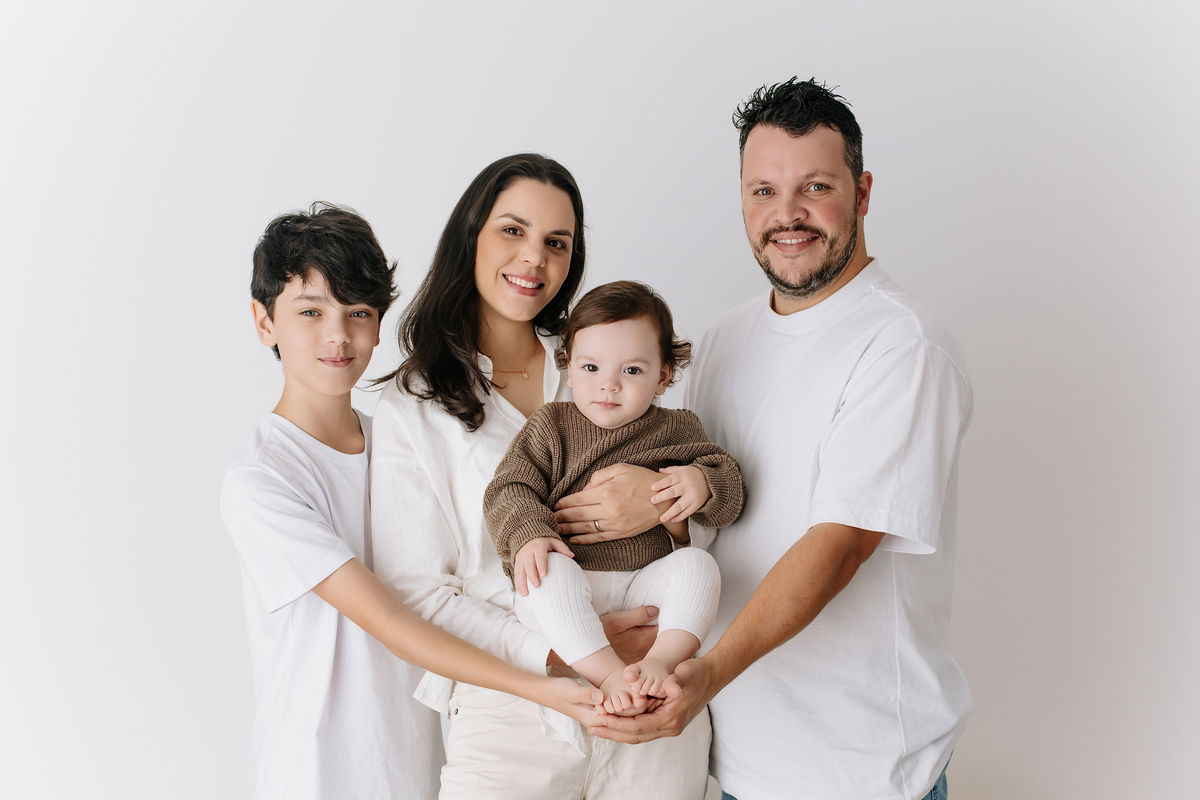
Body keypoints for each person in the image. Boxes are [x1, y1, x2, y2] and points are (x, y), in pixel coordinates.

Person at [587, 79, 973, 800]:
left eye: (815, 188)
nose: (787, 215)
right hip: (733, 756)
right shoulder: (724, 338)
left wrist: (705, 673)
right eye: (763, 191)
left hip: (857, 772)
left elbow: (841, 545)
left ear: (862, 194)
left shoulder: (902, 344)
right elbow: (710, 526)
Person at [221, 203, 605, 800]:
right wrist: (546, 678)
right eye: (310, 311)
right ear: (264, 321)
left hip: (420, 759)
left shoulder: (400, 437)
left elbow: (460, 584)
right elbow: (393, 620)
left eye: (358, 312)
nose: (337, 335)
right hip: (317, 771)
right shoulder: (263, 480)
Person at [370, 156, 715, 799]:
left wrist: (660, 504)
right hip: (511, 710)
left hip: (653, 700)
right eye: (512, 230)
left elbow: (709, 536)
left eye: (557, 242)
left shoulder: (607, 360)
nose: (534, 258)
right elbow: (415, 597)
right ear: (470, 236)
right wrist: (559, 650)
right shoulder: (414, 405)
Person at [485, 280, 743, 714]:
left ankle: (660, 661)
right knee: (544, 571)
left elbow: (729, 490)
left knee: (698, 566)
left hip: (647, 587)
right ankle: (606, 673)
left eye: (632, 371)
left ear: (663, 376)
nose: (609, 386)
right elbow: (510, 487)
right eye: (591, 368)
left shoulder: (679, 429)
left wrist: (702, 482)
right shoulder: (551, 425)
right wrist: (530, 533)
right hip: (570, 587)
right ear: (568, 369)